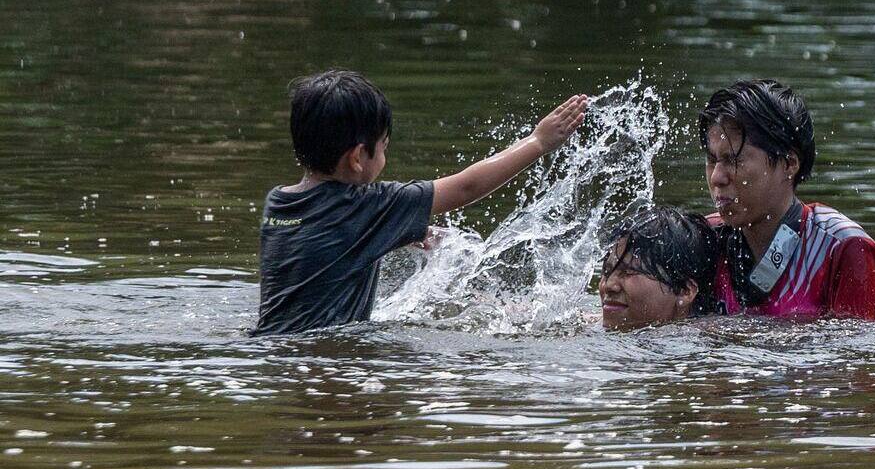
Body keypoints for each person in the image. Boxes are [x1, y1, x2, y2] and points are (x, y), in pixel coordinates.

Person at [255, 70, 587, 335]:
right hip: (327, 359)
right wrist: (538, 141)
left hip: (273, 348)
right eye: (383, 147)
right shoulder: (371, 205)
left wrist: (394, 231)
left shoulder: (279, 204)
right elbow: (466, 187)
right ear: (357, 157)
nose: (384, 156)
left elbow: (322, 245)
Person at [700, 79, 875, 320]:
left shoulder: (844, 250)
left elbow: (855, 355)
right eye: (712, 160)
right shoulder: (703, 240)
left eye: (734, 160)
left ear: (789, 163)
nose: (717, 177)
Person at [598, 207, 720, 331]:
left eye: (628, 272)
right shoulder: (585, 326)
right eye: (607, 272)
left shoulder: (713, 339)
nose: (608, 286)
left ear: (685, 291)